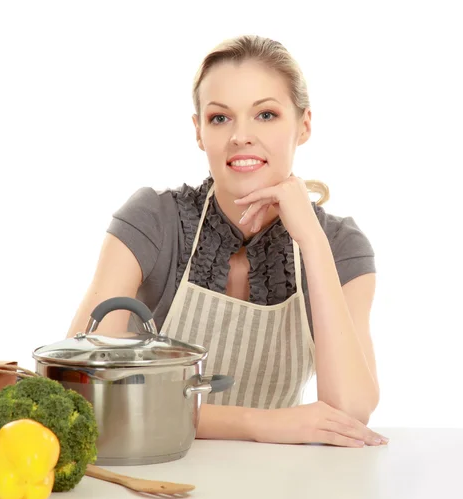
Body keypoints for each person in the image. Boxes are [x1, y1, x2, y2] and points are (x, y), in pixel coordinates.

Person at [67, 35, 388, 448]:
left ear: (304, 125)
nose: (241, 136)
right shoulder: (154, 221)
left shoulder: (340, 245)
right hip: (155, 471)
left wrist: (310, 238)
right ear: (199, 130)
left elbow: (349, 410)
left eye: (266, 115)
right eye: (220, 118)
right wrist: (261, 424)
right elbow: (83, 386)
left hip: (282, 490)